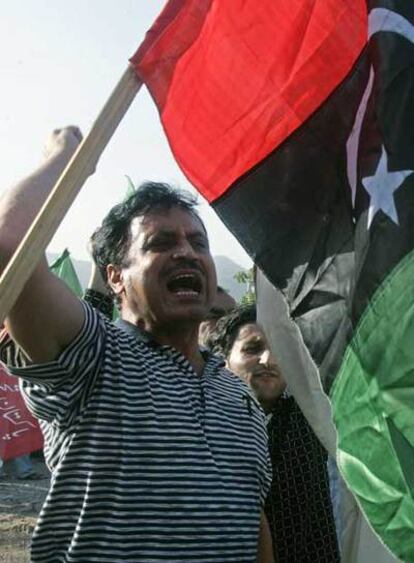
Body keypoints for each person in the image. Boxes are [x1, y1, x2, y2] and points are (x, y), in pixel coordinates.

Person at [0, 127, 273, 563]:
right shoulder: (93, 357)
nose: (186, 253)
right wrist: (68, 158)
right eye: (161, 243)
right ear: (114, 278)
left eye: (197, 242)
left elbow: (249, 516)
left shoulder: (237, 394)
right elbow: (9, 246)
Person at [211, 304, 340, 563]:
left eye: (280, 350)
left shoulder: (312, 417)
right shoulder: (203, 424)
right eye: (252, 349)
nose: (268, 360)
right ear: (224, 359)